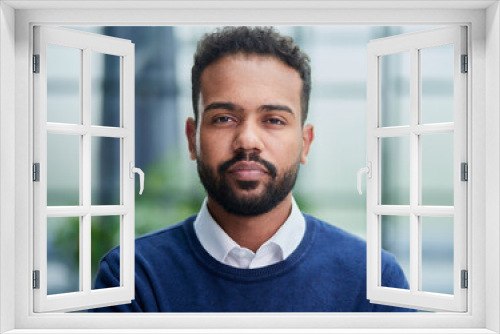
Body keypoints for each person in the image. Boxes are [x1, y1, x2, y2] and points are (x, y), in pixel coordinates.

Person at [91, 26, 414, 312]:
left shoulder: (373, 276)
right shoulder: (133, 274)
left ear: (306, 142)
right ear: (192, 139)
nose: (247, 140)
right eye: (223, 118)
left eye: (273, 120)